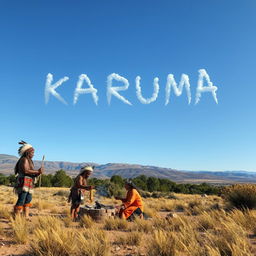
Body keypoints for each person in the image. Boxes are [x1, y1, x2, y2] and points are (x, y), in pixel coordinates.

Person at [14, 141, 43, 217]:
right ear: (27, 152)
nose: (33, 154)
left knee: (28, 200)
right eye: (32, 152)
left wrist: (38, 172)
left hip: (29, 182)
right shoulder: (24, 159)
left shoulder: (29, 160)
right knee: (21, 199)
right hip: (23, 182)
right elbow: (26, 170)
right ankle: (17, 217)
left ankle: (26, 216)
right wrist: (37, 171)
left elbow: (30, 172)